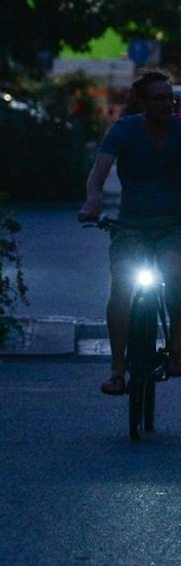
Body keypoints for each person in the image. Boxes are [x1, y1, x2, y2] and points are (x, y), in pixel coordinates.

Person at [79, 68, 181, 394]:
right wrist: (93, 201)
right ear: (142, 103)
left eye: (171, 98)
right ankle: (117, 368)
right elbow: (99, 171)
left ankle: (177, 347)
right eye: (159, 99)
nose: (168, 105)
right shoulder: (124, 130)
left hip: (173, 227)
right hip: (130, 227)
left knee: (176, 275)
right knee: (121, 285)